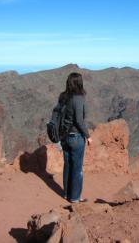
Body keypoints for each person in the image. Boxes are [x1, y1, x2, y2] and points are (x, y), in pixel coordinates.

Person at [58, 72, 93, 203]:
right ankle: (75, 198)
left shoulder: (63, 96)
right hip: (75, 137)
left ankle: (67, 194)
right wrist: (88, 136)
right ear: (79, 83)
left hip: (64, 137)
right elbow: (79, 120)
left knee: (68, 165)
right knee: (77, 168)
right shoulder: (78, 98)